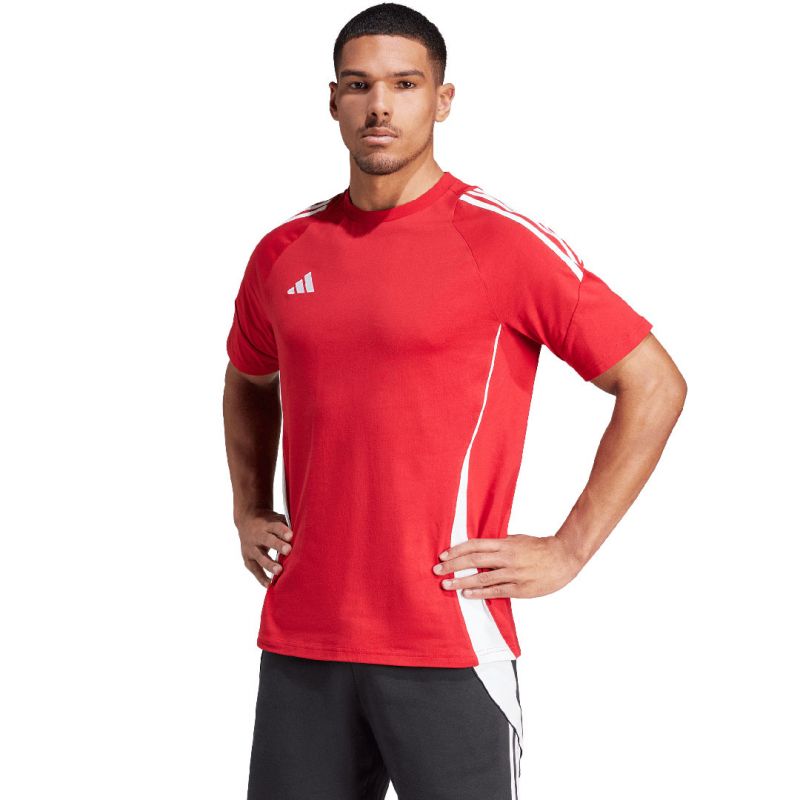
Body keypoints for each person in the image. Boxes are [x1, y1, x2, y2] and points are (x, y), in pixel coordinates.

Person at [222, 4, 687, 798]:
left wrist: (570, 548)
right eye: (359, 85)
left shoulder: (501, 242)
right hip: (303, 639)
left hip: (448, 639)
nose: (380, 106)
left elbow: (653, 383)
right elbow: (247, 376)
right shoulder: (283, 252)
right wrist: (247, 506)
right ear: (332, 100)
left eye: (405, 84)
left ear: (442, 100)